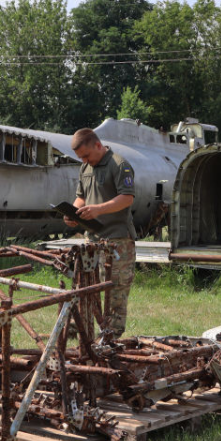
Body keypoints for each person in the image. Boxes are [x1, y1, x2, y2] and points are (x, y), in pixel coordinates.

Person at [64, 128, 136, 338]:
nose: (85, 160)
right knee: (84, 286)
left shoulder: (119, 164)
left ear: (98, 145)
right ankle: (79, 330)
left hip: (118, 240)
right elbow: (81, 197)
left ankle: (109, 336)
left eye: (86, 155)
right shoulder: (85, 167)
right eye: (80, 158)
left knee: (115, 290)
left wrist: (98, 209)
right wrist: (73, 213)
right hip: (92, 240)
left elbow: (127, 197)